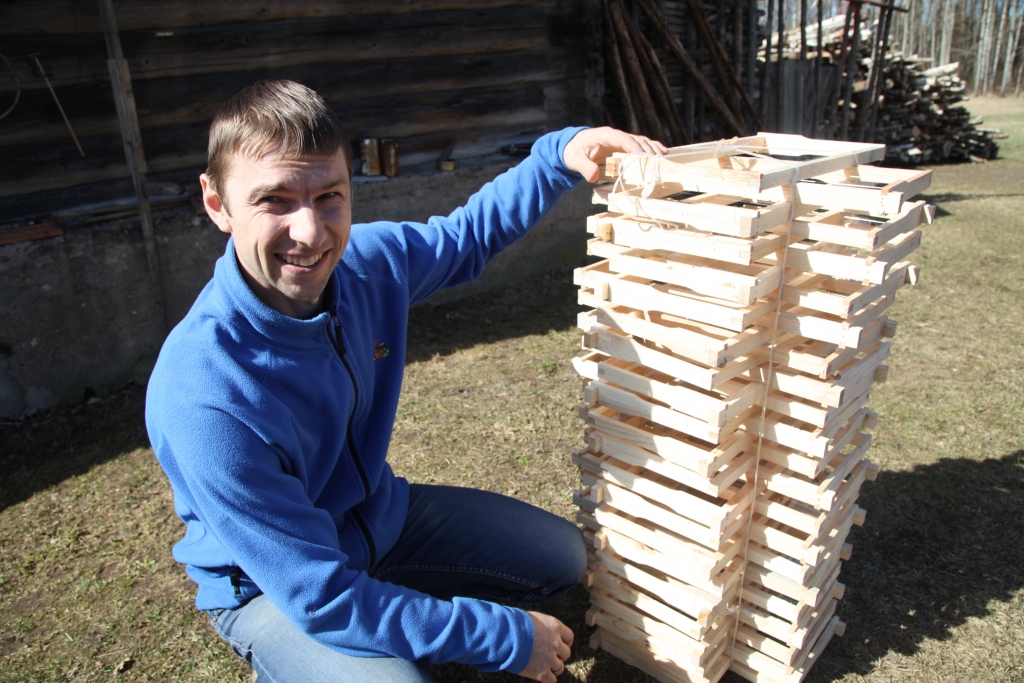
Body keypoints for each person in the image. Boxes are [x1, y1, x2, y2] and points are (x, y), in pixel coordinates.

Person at [145, 79, 666, 683]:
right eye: (275, 201)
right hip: (270, 585)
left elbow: (467, 236)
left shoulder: (368, 264)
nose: (311, 233)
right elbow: (320, 595)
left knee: (562, 558)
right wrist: (500, 636)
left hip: (381, 520)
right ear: (217, 204)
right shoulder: (203, 392)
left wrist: (559, 154)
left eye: (329, 195)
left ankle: (390, 606)